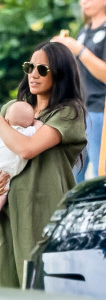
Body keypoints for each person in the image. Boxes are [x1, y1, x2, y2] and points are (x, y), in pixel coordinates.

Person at [0, 41, 87, 288]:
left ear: (61, 73)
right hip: (4, 213)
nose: (33, 74)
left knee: (40, 284)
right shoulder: (13, 109)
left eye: (43, 69)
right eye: (30, 67)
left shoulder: (68, 114)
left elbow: (27, 148)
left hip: (41, 212)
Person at [52, 0, 106, 182]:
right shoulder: (85, 30)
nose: (84, 2)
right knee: (73, 172)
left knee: (101, 173)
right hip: (79, 110)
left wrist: (79, 50)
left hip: (100, 110)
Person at [0, 101, 43, 235]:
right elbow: (40, 126)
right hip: (0, 170)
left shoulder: (1, 131)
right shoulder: (25, 132)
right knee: (0, 197)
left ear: (7, 119)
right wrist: (35, 121)